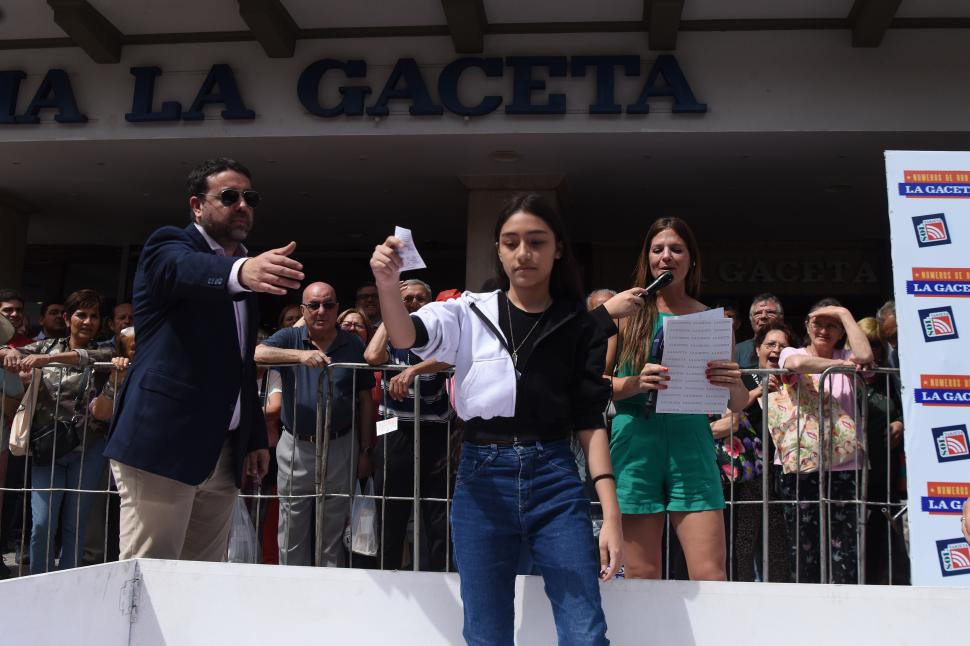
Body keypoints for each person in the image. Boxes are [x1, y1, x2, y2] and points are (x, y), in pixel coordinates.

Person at [370, 193, 644, 646]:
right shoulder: (469, 310)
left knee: (585, 629)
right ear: (497, 248)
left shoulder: (578, 323)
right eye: (511, 241)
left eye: (536, 241)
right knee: (485, 631)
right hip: (480, 478)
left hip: (556, 477)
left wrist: (610, 513)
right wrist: (386, 285)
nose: (524, 253)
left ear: (558, 248)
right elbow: (406, 335)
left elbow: (589, 418)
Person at [104, 157, 301, 562]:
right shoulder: (170, 246)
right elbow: (187, 269)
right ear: (197, 205)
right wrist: (243, 270)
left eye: (250, 197)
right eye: (229, 196)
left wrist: (251, 440)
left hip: (224, 454)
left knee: (202, 584)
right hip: (163, 448)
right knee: (149, 582)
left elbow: (242, 364)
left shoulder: (240, 271)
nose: (242, 204)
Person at [608, 217, 749, 581]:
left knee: (710, 574)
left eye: (676, 249)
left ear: (692, 260)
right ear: (647, 259)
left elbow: (735, 402)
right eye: (658, 250)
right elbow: (595, 384)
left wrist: (732, 383)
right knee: (642, 573)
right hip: (635, 438)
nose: (666, 257)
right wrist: (635, 384)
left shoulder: (713, 320)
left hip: (691, 440)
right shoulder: (626, 316)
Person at [255, 282, 376, 567]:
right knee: (291, 528)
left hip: (342, 444)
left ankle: (328, 596)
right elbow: (258, 353)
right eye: (314, 305)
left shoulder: (353, 343)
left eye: (329, 305)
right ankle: (292, 597)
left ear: (337, 307)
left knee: (332, 529)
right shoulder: (290, 337)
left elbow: (366, 400)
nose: (321, 311)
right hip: (297, 444)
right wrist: (300, 356)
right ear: (303, 310)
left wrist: (366, 450)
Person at [1, 289, 113, 573]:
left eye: (94, 316)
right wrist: (10, 351)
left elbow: (88, 357)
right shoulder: (45, 347)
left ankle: (71, 585)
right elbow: (4, 352)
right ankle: (38, 582)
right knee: (41, 522)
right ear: (67, 318)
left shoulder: (108, 351)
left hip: (90, 446)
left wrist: (46, 361)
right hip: (47, 445)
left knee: (76, 523)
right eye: (81, 315)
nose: (87, 321)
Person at [775, 297, 873, 584]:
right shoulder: (792, 351)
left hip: (846, 465)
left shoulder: (850, 356)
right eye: (819, 323)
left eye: (834, 326)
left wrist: (844, 312)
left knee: (846, 547)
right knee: (802, 546)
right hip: (801, 464)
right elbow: (795, 363)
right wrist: (838, 366)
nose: (825, 331)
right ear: (806, 325)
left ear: (842, 331)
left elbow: (865, 356)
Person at [364, 278, 453, 571]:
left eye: (419, 299)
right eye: (407, 300)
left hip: (435, 432)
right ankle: (389, 575)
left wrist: (414, 369)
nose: (413, 305)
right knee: (392, 509)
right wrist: (391, 312)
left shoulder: (439, 335)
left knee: (437, 511)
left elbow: (451, 356)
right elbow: (372, 356)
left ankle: (437, 576)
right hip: (394, 431)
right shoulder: (391, 336)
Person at [711, 321, 792, 581]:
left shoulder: (795, 381)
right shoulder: (742, 378)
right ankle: (739, 593)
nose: (777, 350)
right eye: (771, 344)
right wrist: (758, 390)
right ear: (757, 349)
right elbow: (730, 416)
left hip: (785, 472)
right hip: (749, 474)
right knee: (743, 542)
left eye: (783, 346)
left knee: (778, 544)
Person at [735, 293, 784, 369]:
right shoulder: (737, 351)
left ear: (781, 317)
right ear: (751, 320)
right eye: (758, 313)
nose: (763, 316)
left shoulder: (792, 349)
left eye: (770, 312)